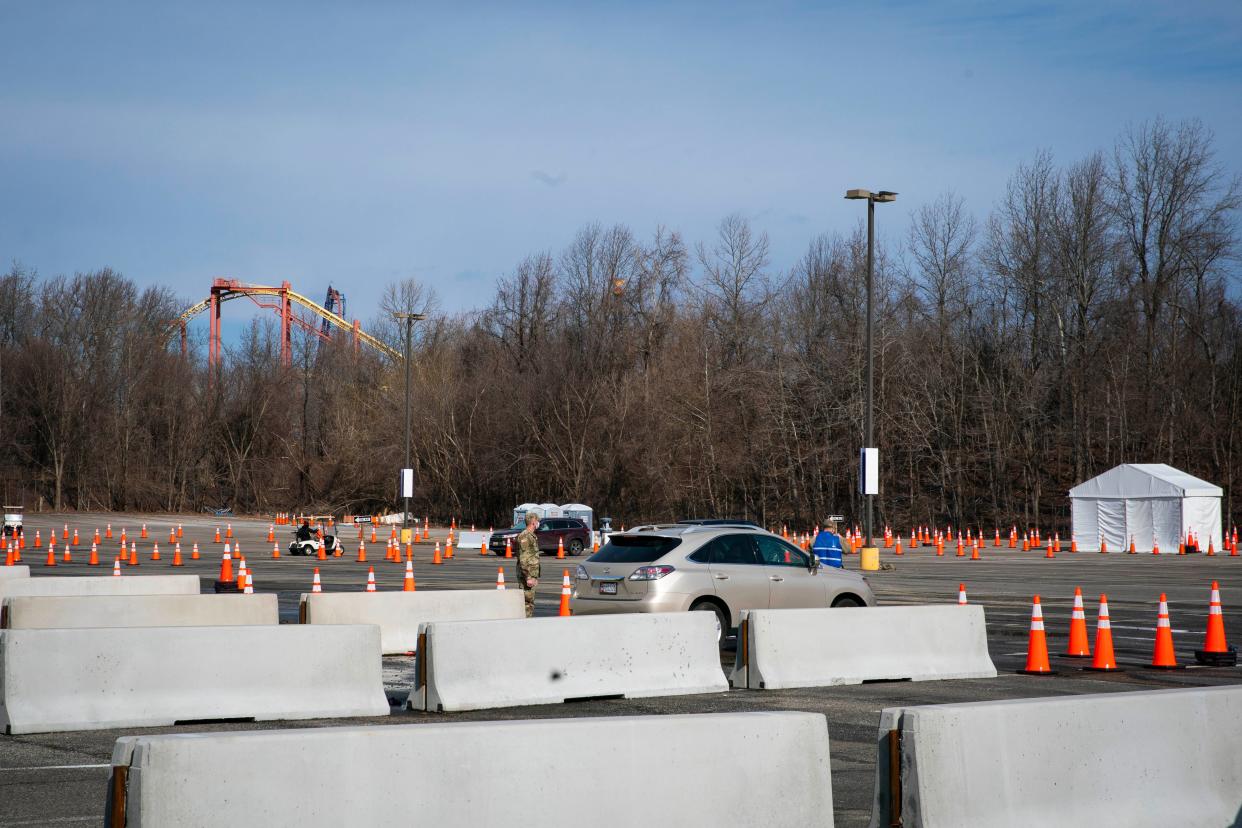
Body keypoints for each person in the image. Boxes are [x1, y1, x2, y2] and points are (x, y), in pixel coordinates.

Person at [516, 511, 541, 617]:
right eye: (538, 521)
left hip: (531, 575)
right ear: (533, 522)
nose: (539, 523)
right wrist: (528, 577)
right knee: (526, 604)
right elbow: (524, 559)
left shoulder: (531, 536)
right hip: (526, 575)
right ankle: (525, 625)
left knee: (530, 603)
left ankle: (527, 624)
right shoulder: (525, 537)